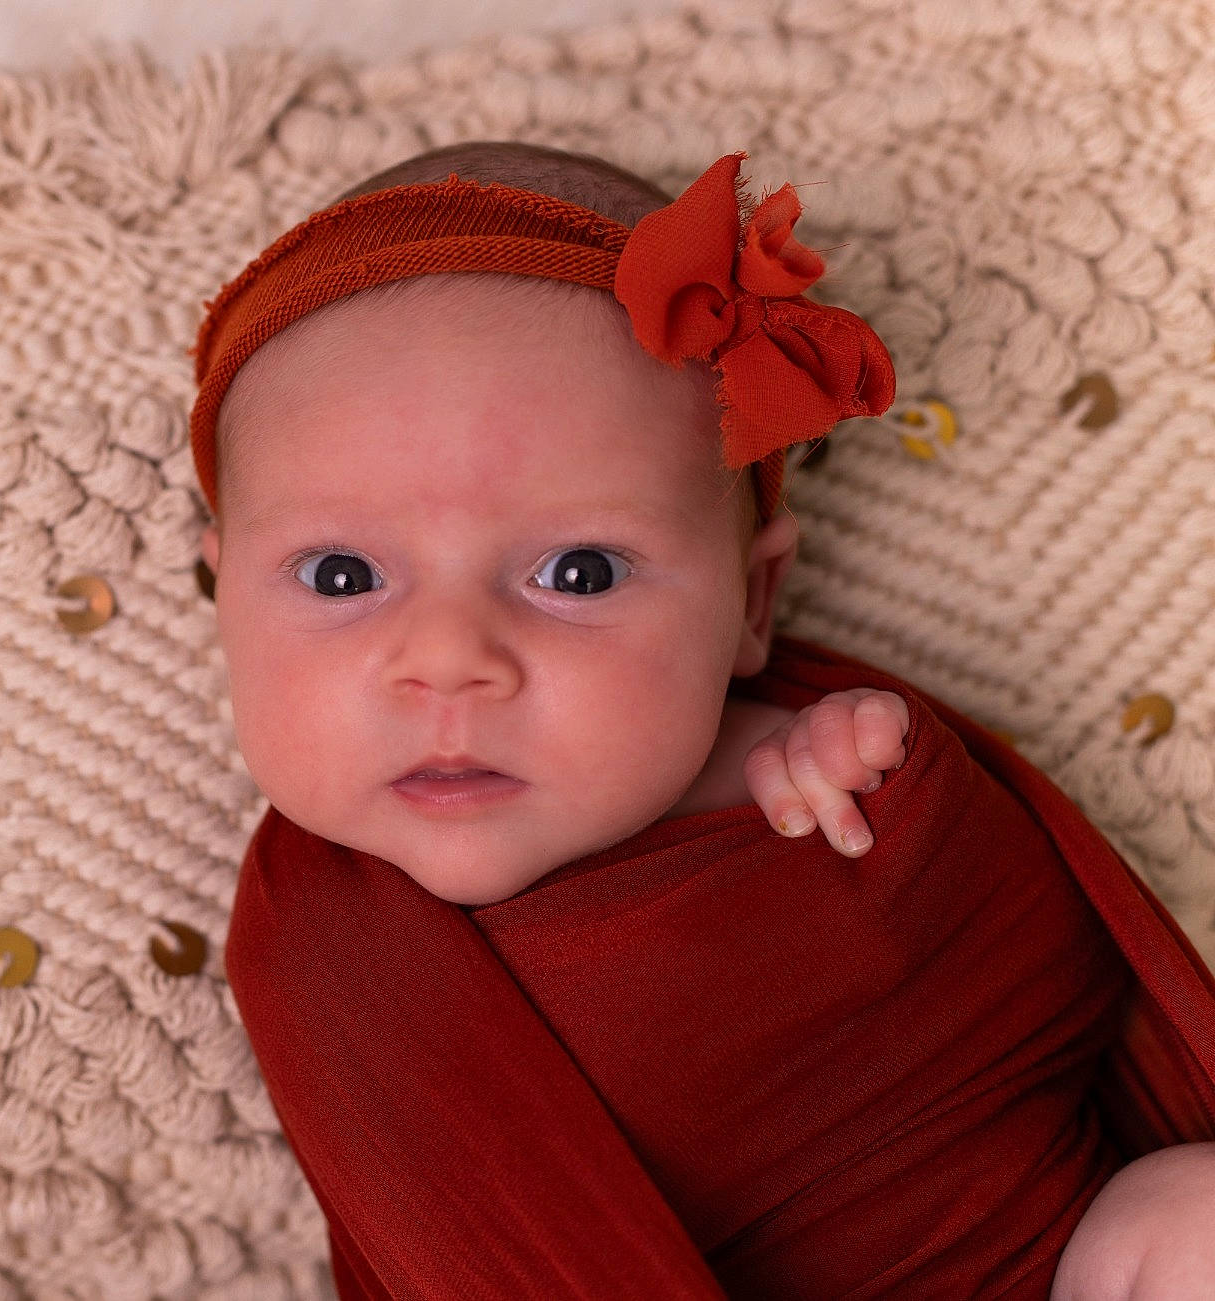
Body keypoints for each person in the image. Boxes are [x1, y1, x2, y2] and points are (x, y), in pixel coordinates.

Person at [194, 140, 1215, 1298]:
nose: (448, 662)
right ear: (220, 592)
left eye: (576, 574)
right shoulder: (321, 947)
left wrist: (906, 808)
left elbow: (1042, 982)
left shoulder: (821, 764)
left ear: (751, 605)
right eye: (338, 577)